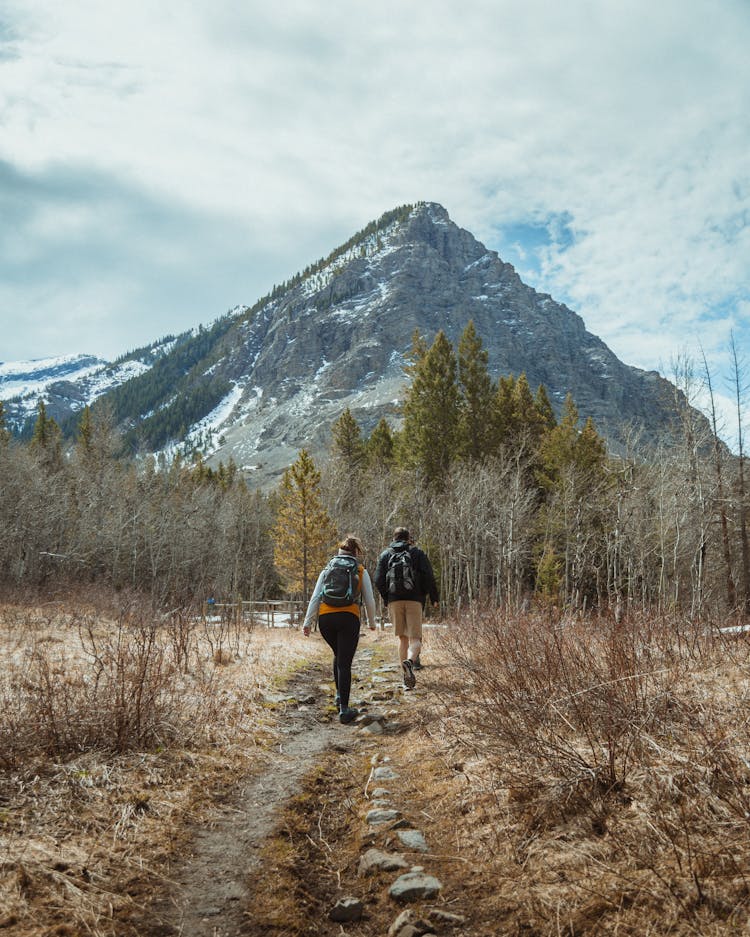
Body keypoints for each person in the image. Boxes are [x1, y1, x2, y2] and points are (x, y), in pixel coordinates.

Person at [303, 534, 377, 724]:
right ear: (355, 552)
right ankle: (344, 709)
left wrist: (307, 622)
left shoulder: (328, 568)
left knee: (338, 655)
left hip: (326, 619)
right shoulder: (360, 570)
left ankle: (338, 695)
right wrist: (372, 622)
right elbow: (369, 600)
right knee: (344, 663)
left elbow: (315, 597)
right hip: (348, 618)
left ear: (340, 551)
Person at [374, 526, 439, 690]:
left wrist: (386, 597)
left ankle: (405, 677)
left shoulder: (386, 555)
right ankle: (410, 661)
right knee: (415, 639)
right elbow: (429, 576)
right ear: (408, 538)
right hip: (415, 600)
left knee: (402, 639)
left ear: (394, 538)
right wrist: (433, 597)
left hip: (394, 600)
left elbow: (378, 579)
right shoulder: (417, 553)